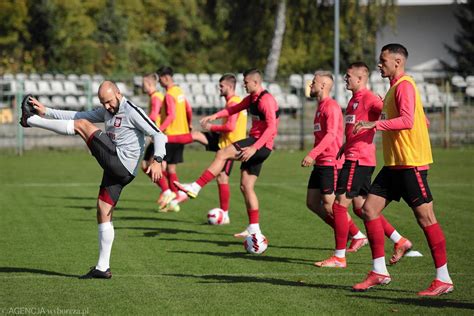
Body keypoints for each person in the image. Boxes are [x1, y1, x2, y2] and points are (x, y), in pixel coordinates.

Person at [19, 81, 167, 279]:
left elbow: (158, 134)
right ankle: (102, 268)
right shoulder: (107, 110)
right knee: (103, 210)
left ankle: (30, 121)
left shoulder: (132, 110)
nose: (107, 107)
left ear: (118, 93)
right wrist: (47, 110)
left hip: (121, 163)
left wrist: (157, 160)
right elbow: (77, 116)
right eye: (103, 103)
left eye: (109, 101)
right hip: (118, 170)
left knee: (82, 127)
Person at [352, 43, 453, 296]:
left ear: (398, 62)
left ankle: (444, 278)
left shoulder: (405, 85)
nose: (379, 64)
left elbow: (408, 121)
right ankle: (379, 272)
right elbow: (418, 118)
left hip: (410, 164)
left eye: (383, 60)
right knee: (368, 209)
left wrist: (373, 124)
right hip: (395, 164)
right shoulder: (394, 88)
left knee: (426, 218)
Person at [315, 63, 411, 268]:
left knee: (339, 205)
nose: (345, 79)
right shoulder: (353, 101)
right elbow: (355, 129)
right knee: (361, 208)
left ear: (360, 79)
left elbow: (391, 114)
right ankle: (400, 241)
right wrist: (344, 146)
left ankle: (339, 257)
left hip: (359, 160)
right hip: (352, 155)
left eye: (349, 76)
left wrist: (387, 105)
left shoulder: (369, 99)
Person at [174, 68, 279, 237]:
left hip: (259, 144)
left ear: (255, 82)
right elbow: (232, 110)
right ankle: (254, 228)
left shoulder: (265, 100)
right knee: (246, 186)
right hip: (259, 145)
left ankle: (195, 187)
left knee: (222, 153)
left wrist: (254, 147)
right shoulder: (252, 98)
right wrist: (213, 117)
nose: (243, 85)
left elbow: (272, 127)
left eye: (246, 82)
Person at [301, 71, 367, 265]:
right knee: (312, 203)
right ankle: (349, 233)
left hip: (331, 162)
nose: (310, 85)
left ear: (322, 85)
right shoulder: (320, 106)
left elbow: (331, 135)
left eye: (313, 82)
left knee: (332, 205)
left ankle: (356, 235)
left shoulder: (330, 106)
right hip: (321, 162)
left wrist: (312, 154)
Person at [164, 74, 247, 219]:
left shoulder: (234, 103)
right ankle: (165, 138)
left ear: (229, 86)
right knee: (196, 135)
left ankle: (224, 214)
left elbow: (230, 126)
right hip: (224, 140)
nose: (219, 89)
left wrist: (212, 127)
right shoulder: (235, 101)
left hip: (230, 146)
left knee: (222, 178)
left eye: (221, 86)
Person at [156, 66, 193, 212]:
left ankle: (173, 194)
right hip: (181, 135)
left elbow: (171, 115)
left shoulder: (170, 94)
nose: (159, 82)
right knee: (171, 168)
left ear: (165, 78)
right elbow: (188, 109)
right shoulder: (180, 92)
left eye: (160, 79)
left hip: (171, 136)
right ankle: (175, 198)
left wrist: (159, 130)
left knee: (160, 165)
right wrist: (189, 124)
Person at [141, 73, 168, 203]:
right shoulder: (154, 96)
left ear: (150, 84)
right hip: (156, 135)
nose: (142, 87)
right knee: (147, 165)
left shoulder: (156, 97)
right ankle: (168, 190)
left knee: (150, 165)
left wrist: (142, 126)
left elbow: (153, 115)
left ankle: (168, 191)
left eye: (143, 84)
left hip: (158, 136)